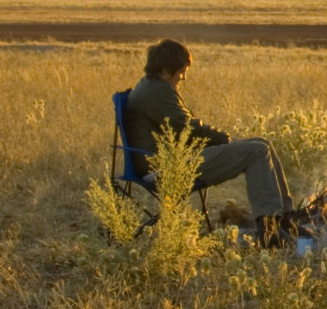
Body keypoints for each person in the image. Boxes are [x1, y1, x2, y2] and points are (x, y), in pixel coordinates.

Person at [125, 39, 298, 246]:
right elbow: (190, 129)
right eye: (180, 72)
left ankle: (287, 220)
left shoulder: (151, 86)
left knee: (262, 143)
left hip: (171, 159)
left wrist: (226, 143)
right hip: (166, 169)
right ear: (164, 70)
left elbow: (183, 130)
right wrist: (226, 140)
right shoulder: (156, 92)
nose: (183, 78)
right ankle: (270, 232)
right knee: (257, 151)